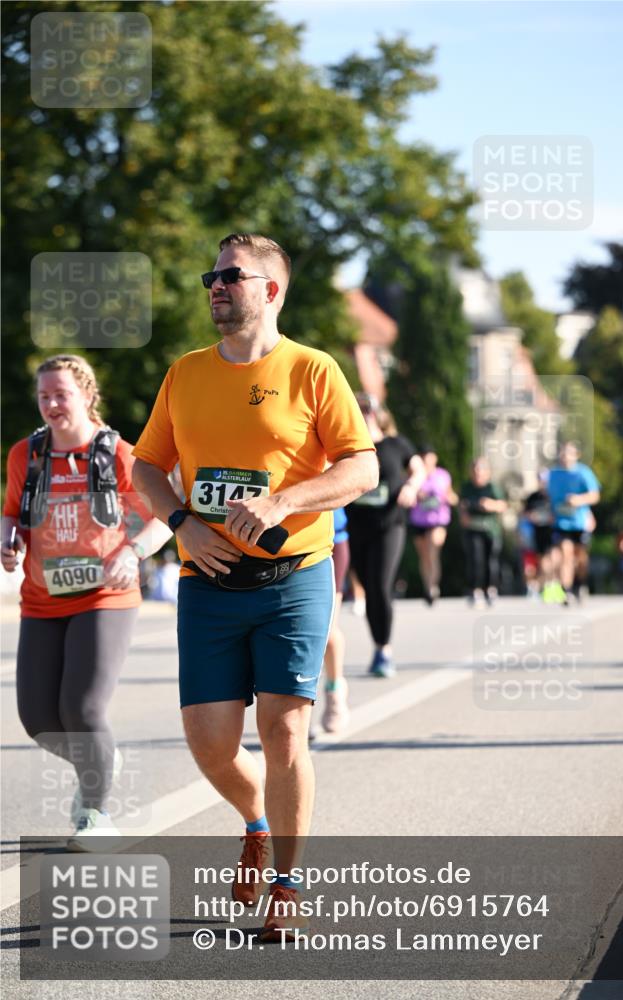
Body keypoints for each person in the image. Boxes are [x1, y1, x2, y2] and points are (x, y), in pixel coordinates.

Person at [131, 233, 377, 942]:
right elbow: (147, 465)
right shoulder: (185, 373)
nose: (215, 285)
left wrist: (281, 501)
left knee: (284, 730)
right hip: (207, 582)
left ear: (270, 290)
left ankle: (288, 886)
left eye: (230, 276)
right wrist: (182, 523)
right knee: (211, 745)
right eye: (211, 276)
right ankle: (256, 821)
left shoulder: (312, 369)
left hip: (292, 577)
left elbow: (362, 468)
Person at [1, 354, 171, 850]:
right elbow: (12, 514)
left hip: (105, 596)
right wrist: (9, 542)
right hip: (41, 599)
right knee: (38, 720)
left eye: (62, 394)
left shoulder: (117, 454)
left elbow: (164, 517)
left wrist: (133, 551)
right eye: (44, 396)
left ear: (87, 396)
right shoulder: (26, 455)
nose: (52, 404)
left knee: (82, 709)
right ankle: (101, 759)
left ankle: (96, 815)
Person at [345, 394, 425, 678]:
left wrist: (412, 486)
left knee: (380, 584)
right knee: (368, 587)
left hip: (390, 525)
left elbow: (418, 468)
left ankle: (384, 650)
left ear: (378, 413)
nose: (364, 414)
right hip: (357, 526)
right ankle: (378, 645)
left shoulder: (396, 444)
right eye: (358, 409)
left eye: (368, 409)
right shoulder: (348, 448)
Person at [548, 441, 600, 605]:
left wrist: (579, 500)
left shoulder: (584, 473)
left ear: (576, 455)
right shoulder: (553, 474)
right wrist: (551, 512)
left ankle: (580, 584)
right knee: (566, 554)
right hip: (561, 522)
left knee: (581, 558)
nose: (565, 457)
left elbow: (595, 496)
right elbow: (549, 496)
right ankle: (567, 590)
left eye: (569, 453)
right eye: (563, 453)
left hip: (580, 522)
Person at [409, 444, 458, 605]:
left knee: (433, 552)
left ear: (434, 458)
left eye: (429, 456)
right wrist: (417, 495)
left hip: (438, 520)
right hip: (419, 520)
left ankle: (432, 587)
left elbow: (451, 495)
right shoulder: (415, 475)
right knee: (424, 556)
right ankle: (427, 585)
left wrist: (447, 498)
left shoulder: (443, 475)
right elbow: (409, 495)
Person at [318, 507, 351, 734]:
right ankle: (298, 714)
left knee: (326, 630)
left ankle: (334, 689)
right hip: (275, 547)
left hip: (330, 541)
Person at [459, 457, 507, 607]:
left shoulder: (492, 487)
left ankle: (491, 589)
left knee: (491, 560)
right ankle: (475, 589)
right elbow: (462, 506)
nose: (477, 473)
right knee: (475, 560)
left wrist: (489, 505)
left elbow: (502, 505)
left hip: (490, 530)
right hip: (473, 529)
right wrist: (464, 514)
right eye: (475, 470)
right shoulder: (467, 488)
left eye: (480, 470)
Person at [522, 470, 560, 603]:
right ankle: (545, 586)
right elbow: (525, 514)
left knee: (555, 559)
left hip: (554, 532)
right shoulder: (533, 497)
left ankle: (553, 585)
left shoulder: (554, 495)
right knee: (542, 562)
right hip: (537, 534)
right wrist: (532, 517)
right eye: (541, 479)